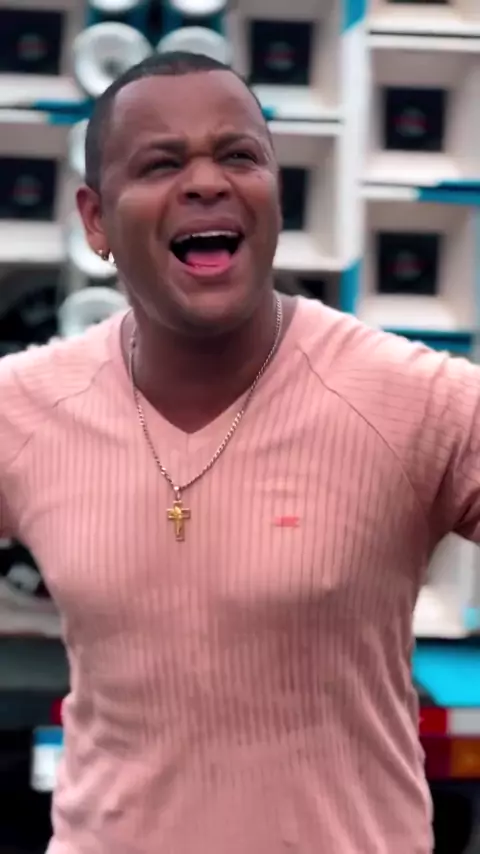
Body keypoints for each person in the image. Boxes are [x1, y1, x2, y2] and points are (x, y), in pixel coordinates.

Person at [1, 51, 479, 854]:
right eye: (161, 164)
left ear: (275, 195)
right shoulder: (25, 409)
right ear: (95, 219)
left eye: (239, 156)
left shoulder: (407, 399)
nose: (206, 183)